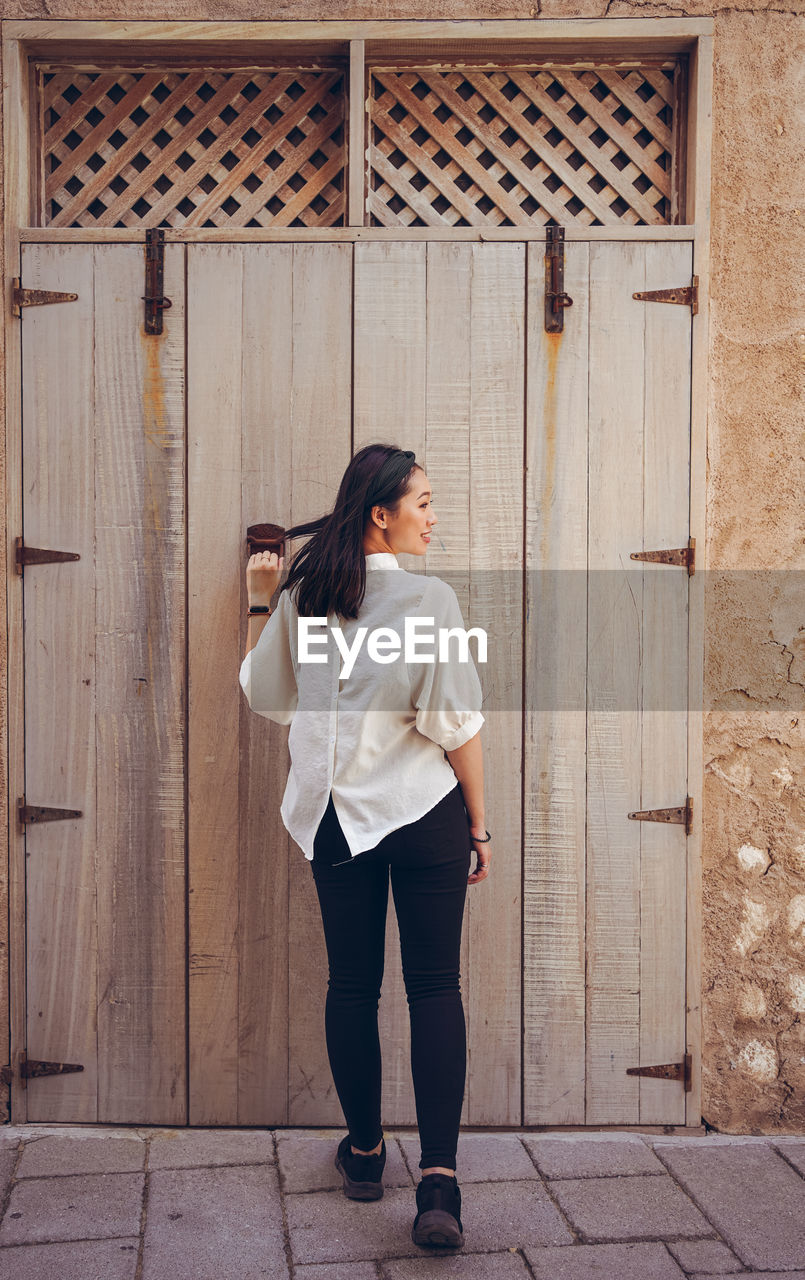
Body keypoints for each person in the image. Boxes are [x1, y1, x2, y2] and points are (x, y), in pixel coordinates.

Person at [238, 443, 492, 1250]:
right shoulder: (431, 602)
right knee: (433, 987)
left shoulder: (307, 595)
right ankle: (440, 1185)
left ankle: (363, 1155)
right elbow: (455, 725)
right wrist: (477, 826)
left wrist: (260, 603)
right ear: (380, 514)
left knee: (351, 984)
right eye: (423, 502)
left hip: (334, 819)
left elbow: (267, 697)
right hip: (421, 815)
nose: (433, 515)